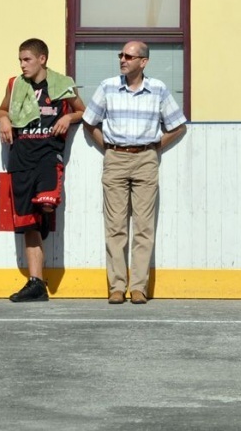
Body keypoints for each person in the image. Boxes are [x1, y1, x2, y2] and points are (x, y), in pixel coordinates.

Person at [82, 41, 187, 305]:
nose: (123, 59)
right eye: (121, 55)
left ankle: (138, 286)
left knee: (143, 226)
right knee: (115, 226)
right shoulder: (107, 86)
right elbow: (88, 121)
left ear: (144, 61)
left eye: (129, 56)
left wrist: (153, 148)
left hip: (146, 160)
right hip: (115, 157)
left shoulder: (159, 89)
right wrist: (107, 146)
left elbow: (177, 125)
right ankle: (117, 286)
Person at [0, 38, 85, 302]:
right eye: (20, 60)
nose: (23, 65)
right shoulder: (15, 84)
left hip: (48, 155)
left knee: (47, 203)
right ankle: (36, 283)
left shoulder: (61, 84)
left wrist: (68, 117)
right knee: (27, 225)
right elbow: (3, 108)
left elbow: (82, 110)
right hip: (21, 158)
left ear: (42, 59)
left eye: (27, 59)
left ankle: (45, 217)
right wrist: (3, 119)